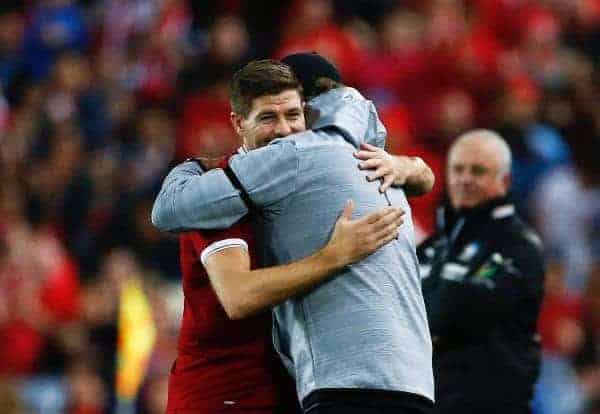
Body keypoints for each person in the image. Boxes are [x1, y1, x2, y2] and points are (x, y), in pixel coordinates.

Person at [152, 54, 435, 413]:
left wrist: (408, 165)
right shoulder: (219, 191)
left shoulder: (343, 165)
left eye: (292, 115)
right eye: (268, 117)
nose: (284, 131)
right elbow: (238, 295)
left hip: (294, 391)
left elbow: (426, 178)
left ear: (309, 112)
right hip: (224, 394)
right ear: (238, 123)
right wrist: (334, 256)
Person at [418, 129, 545, 414]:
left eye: (478, 171)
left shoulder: (518, 246)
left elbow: (451, 312)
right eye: (458, 169)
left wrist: (425, 305)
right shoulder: (431, 246)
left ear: (505, 181)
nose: (464, 179)